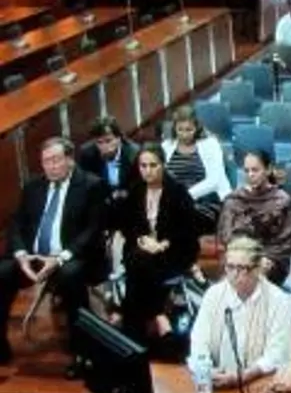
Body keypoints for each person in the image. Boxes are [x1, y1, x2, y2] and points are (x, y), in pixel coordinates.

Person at [0, 137, 106, 377]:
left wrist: (60, 258)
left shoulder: (91, 185)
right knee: (2, 272)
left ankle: (83, 353)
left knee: (70, 275)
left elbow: (94, 230)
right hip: (34, 256)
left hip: (72, 255)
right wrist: (21, 254)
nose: (51, 166)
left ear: (70, 159)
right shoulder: (33, 186)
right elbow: (16, 223)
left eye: (56, 160)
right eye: (46, 161)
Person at [116, 143, 199, 354]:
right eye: (143, 166)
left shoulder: (178, 191)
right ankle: (158, 315)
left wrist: (163, 244)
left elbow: (188, 230)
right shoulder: (135, 190)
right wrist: (142, 239)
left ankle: (132, 334)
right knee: (139, 260)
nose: (148, 171)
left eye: (153, 165)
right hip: (142, 250)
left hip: (174, 251)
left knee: (136, 268)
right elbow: (127, 225)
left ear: (163, 165)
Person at [190, 236, 291, 387]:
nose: (234, 274)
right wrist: (206, 369)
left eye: (242, 268)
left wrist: (245, 376)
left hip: (261, 384)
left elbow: (278, 353)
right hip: (219, 381)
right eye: (230, 267)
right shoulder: (214, 295)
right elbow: (199, 340)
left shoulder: (278, 300)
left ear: (257, 269)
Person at [218, 150, 291, 285]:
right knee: (234, 277)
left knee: (250, 277)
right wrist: (243, 256)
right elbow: (225, 235)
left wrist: (263, 258)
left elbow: (286, 242)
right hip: (239, 257)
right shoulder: (233, 200)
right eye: (246, 170)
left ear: (268, 170)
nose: (250, 175)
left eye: (255, 170)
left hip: (271, 260)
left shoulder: (282, 200)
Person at [162, 105, 232, 236]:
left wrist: (186, 196)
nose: (184, 134)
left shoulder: (210, 144)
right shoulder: (167, 146)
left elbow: (215, 180)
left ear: (197, 128)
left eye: (189, 130)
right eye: (180, 130)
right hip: (175, 203)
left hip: (206, 202)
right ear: (174, 128)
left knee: (180, 219)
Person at [77, 116, 140, 228]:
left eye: (108, 141)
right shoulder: (87, 154)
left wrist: (122, 194)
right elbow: (85, 186)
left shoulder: (134, 154)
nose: (104, 147)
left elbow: (138, 188)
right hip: (101, 206)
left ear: (119, 138)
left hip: (129, 206)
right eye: (99, 142)